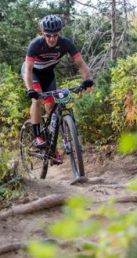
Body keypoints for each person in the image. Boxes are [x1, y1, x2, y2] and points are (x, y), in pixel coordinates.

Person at [22, 15, 94, 155]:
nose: (52, 38)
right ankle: (37, 136)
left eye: (55, 35)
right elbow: (28, 70)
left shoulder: (65, 43)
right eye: (48, 35)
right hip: (33, 74)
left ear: (59, 33)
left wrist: (88, 79)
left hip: (48, 75)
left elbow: (81, 64)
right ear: (43, 33)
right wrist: (31, 89)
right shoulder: (36, 44)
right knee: (37, 100)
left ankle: (51, 146)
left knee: (51, 108)